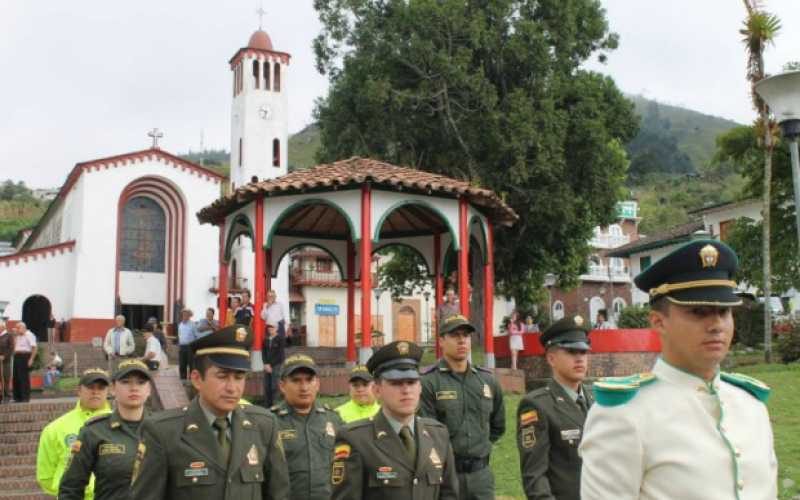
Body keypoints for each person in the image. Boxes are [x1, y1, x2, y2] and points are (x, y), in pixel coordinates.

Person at [580, 240, 779, 499]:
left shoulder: (751, 405)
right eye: (699, 312)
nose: (717, 324)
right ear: (658, 321)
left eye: (725, 311)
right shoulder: (624, 415)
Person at [129, 324, 290, 500]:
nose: (232, 388)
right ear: (197, 379)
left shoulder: (264, 425)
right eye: (222, 377)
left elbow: (278, 494)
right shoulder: (162, 432)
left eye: (239, 377)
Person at [331, 340, 459, 499]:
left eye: (412, 382)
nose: (406, 390)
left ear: (420, 388)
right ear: (377, 390)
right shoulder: (355, 439)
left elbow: (449, 495)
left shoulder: (438, 434)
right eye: (396, 383)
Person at [419, 315, 505, 500]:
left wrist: (479, 446)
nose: (462, 340)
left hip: (481, 477)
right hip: (445, 477)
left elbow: (498, 426)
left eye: (466, 335)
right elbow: (425, 432)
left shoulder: (487, 380)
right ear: (441, 340)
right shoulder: (428, 382)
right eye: (455, 335)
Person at [517, 315, 593, 500]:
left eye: (583, 352)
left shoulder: (597, 400)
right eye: (571, 351)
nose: (579, 358)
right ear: (551, 358)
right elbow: (535, 477)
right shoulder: (537, 406)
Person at [58, 360, 153, 500]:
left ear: (149, 389)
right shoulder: (94, 431)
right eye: (126, 382)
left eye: (140, 382)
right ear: (113, 389)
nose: (134, 388)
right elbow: (71, 487)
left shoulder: (164, 428)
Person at [271, 354, 343, 500]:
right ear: (282, 386)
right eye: (296, 381)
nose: (304, 387)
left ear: (317, 384)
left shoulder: (334, 420)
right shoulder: (269, 422)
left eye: (309, 380)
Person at [36, 368, 112, 498]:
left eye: (101, 388)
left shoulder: (122, 426)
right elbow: (46, 477)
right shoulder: (55, 428)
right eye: (90, 387)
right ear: (79, 390)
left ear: (108, 392)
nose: (95, 392)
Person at [12, 321, 38, 403]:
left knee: (23, 377)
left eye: (18, 328)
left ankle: (25, 397)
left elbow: (34, 348)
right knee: (16, 377)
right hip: (17, 356)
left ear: (23, 327)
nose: (16, 329)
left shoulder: (29, 335)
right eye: (16, 328)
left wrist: (31, 359)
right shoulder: (17, 336)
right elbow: (14, 346)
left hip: (24, 356)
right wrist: (15, 336)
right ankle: (17, 397)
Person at [262, 322, 286, 408]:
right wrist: (265, 364)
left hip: (277, 365)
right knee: (266, 386)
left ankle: (276, 406)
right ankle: (267, 407)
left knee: (275, 386)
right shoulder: (265, 340)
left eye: (272, 328)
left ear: (276, 328)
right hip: (267, 366)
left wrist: (271, 365)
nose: (270, 330)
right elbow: (263, 353)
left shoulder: (280, 339)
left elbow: (280, 355)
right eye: (269, 328)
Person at [177, 308, 198, 380]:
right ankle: (183, 380)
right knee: (182, 365)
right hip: (182, 347)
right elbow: (179, 336)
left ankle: (192, 381)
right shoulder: (180, 325)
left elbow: (196, 336)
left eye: (186, 314)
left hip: (190, 347)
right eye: (183, 314)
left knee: (191, 365)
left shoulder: (193, 325)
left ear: (189, 316)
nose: (185, 316)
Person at [0, 320, 14, 403]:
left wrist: (4, 356)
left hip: (5, 361)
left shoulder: (8, 336)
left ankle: (7, 395)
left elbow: (11, 348)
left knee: (5, 377)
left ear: (2, 327)